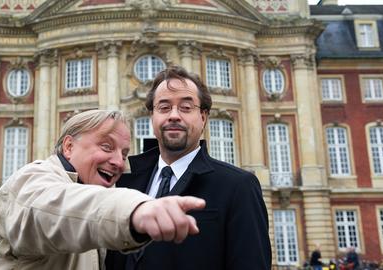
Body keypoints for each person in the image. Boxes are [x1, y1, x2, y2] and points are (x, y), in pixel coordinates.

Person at [0, 110, 206, 270]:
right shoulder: (31, 181)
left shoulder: (87, 188)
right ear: (69, 147)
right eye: (106, 146)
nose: (119, 163)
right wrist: (134, 210)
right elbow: (55, 209)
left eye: (124, 154)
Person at [106, 66, 271, 270]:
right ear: (153, 117)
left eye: (186, 107)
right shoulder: (123, 182)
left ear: (203, 117)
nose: (174, 115)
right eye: (164, 107)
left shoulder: (238, 186)